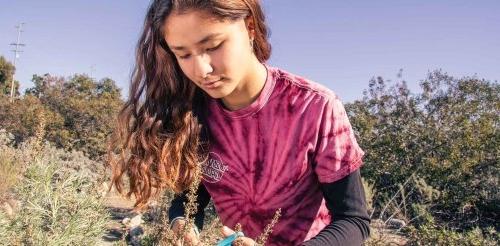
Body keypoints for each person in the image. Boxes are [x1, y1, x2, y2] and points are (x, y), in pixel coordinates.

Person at [109, 0, 371, 245]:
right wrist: (183, 225)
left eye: (212, 46)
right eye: (183, 54)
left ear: (250, 28)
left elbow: (353, 221)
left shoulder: (316, 107)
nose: (202, 70)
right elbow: (191, 199)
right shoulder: (192, 114)